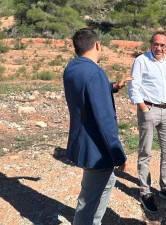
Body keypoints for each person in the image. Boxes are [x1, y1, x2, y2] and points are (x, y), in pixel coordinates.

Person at [63, 28, 127, 225]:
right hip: (97, 148)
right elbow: (105, 120)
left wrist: (112, 86)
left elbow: (86, 91)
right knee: (89, 199)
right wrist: (118, 154)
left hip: (82, 141)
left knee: (106, 183)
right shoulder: (95, 72)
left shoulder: (72, 68)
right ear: (97, 45)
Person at [127, 30, 166, 212]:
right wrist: (142, 107)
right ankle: (145, 191)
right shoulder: (141, 60)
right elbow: (134, 85)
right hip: (148, 110)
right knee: (145, 152)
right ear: (151, 44)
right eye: (156, 44)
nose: (159, 48)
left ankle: (165, 188)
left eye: (163, 45)